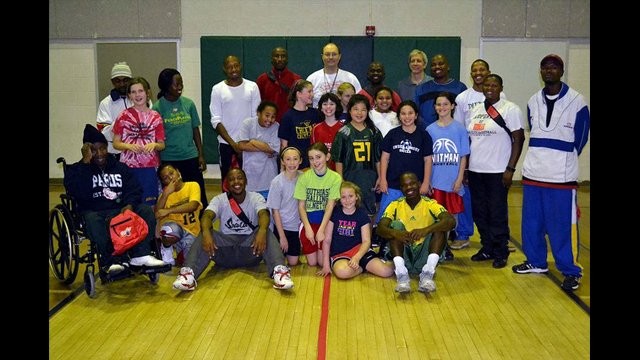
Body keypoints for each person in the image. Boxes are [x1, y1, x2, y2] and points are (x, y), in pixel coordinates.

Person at [512, 54, 590, 291]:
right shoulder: (533, 100)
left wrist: (562, 160)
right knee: (532, 223)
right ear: (541, 71)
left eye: (554, 67)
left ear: (561, 71)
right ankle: (536, 261)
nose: (549, 71)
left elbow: (582, 136)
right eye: (545, 67)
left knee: (562, 226)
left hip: (561, 177)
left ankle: (571, 269)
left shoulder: (578, 100)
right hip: (534, 173)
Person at [64, 124, 166, 275]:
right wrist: (85, 164)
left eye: (102, 148)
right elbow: (76, 192)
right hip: (96, 211)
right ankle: (111, 259)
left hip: (121, 209)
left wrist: (130, 205)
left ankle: (141, 254)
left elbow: (134, 189)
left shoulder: (120, 167)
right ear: (87, 151)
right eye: (94, 150)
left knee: (145, 210)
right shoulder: (79, 170)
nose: (99, 153)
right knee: (93, 220)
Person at [172, 168, 294, 291]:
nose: (236, 182)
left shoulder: (256, 197)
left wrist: (262, 231)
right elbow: (206, 216)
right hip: (225, 253)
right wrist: (206, 232)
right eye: (232, 179)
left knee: (265, 232)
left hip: (251, 250)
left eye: (240, 178)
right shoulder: (219, 199)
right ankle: (187, 276)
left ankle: (280, 273)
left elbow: (264, 214)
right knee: (206, 232)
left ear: (245, 181)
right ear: (227, 184)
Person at [466, 74, 524, 269]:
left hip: (498, 171)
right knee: (479, 212)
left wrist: (510, 168)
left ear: (501, 87)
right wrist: (466, 168)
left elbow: (519, 139)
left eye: (494, 85)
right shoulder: (474, 110)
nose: (490, 88)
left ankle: (501, 250)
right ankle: (487, 247)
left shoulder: (510, 109)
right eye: (486, 85)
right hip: (475, 170)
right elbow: (470, 140)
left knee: (496, 213)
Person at [376, 172, 455, 293]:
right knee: (395, 227)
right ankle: (402, 274)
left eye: (412, 183)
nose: (409, 188)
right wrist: (397, 233)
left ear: (419, 184)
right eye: (404, 185)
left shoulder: (430, 204)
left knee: (439, 227)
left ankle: (428, 273)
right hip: (405, 253)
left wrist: (425, 230)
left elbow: (450, 221)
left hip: (424, 255)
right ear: (401, 188)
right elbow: (380, 228)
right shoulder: (395, 205)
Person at [152, 68, 208, 212]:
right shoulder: (157, 108)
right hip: (169, 160)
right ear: (166, 86)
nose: (180, 87)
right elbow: (156, 137)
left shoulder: (188, 104)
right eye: (176, 84)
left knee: (198, 193)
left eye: (181, 83)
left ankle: (202, 223)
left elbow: (195, 130)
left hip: (190, 156)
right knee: (175, 195)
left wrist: (200, 155)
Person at [317, 181, 394, 279]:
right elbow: (327, 241)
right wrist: (326, 266)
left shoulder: (361, 214)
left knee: (386, 272)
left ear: (356, 196)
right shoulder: (335, 213)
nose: (347, 200)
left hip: (360, 252)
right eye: (343, 197)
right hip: (340, 254)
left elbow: (366, 241)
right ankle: (363, 267)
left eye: (350, 196)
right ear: (339, 199)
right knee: (342, 273)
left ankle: (394, 261)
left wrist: (357, 257)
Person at [112, 77, 165, 206]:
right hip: (128, 167)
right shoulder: (123, 116)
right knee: (130, 202)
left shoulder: (156, 116)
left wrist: (155, 145)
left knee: (150, 203)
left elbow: (162, 144)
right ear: (129, 95)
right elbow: (116, 143)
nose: (137, 95)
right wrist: (128, 146)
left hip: (150, 167)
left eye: (140, 91)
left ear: (147, 93)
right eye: (133, 92)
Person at [426, 92, 469, 246]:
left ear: (452, 106)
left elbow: (463, 156)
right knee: (435, 216)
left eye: (445, 104)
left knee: (451, 217)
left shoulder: (460, 129)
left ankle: (445, 247)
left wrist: (459, 180)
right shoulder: (430, 129)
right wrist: (428, 180)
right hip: (435, 181)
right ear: (434, 107)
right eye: (438, 104)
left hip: (452, 182)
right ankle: (438, 247)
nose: (442, 107)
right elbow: (428, 158)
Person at [210, 55, 261, 183]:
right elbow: (216, 120)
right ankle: (228, 203)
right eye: (230, 67)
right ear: (224, 69)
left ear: (241, 66)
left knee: (248, 180)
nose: (234, 69)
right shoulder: (217, 89)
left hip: (248, 143)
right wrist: (233, 144)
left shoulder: (252, 87)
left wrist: (245, 143)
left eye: (236, 65)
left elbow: (256, 117)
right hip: (226, 144)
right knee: (228, 182)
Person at [331, 94, 382, 221]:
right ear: (349, 111)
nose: (359, 113)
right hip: (350, 178)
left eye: (363, 109)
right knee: (349, 209)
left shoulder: (373, 132)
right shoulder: (343, 132)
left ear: (368, 111)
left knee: (369, 211)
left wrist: (381, 177)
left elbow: (378, 158)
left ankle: (368, 240)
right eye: (356, 109)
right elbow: (339, 160)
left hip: (368, 178)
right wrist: (340, 180)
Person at [294, 142, 342, 267]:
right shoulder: (304, 178)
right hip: (309, 221)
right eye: (311, 158)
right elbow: (301, 206)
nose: (315, 161)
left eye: (318, 157)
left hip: (326, 223)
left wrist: (322, 230)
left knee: (321, 262)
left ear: (327, 157)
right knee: (312, 263)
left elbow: (330, 206)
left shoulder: (335, 178)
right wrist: (308, 228)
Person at [155, 164, 202, 266]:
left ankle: (182, 254)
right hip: (175, 231)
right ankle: (167, 248)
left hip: (192, 232)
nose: (171, 178)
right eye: (166, 178)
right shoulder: (164, 196)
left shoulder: (192, 185)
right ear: (164, 182)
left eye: (171, 173)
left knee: (189, 263)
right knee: (169, 229)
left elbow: (193, 205)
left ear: (178, 172)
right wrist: (166, 194)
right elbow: (157, 214)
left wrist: (169, 211)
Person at [267, 147, 304, 266]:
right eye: (288, 159)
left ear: (300, 161)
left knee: (293, 262)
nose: (292, 163)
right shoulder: (277, 182)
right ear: (282, 161)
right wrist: (282, 237)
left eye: (295, 159)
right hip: (281, 227)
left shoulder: (304, 178)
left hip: (296, 228)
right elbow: (275, 211)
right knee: (279, 262)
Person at [238, 100, 280, 200]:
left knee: (267, 211)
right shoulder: (248, 123)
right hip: (250, 176)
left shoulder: (276, 126)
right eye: (267, 115)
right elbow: (241, 145)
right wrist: (265, 148)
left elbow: (273, 149)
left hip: (269, 177)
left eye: (273, 116)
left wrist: (253, 141)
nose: (270, 119)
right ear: (258, 113)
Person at [414, 54, 467, 128]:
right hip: (425, 132)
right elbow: (415, 113)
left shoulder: (460, 88)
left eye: (441, 64)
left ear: (448, 67)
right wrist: (431, 128)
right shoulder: (421, 89)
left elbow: (464, 114)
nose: (437, 67)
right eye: (433, 65)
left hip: (451, 132)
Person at [278, 79, 320, 170]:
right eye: (309, 91)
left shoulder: (315, 114)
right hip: (296, 164)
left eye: (312, 91)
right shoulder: (288, 116)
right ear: (299, 94)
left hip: (314, 163)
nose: (312, 94)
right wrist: (283, 168)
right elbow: (284, 145)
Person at [306, 43, 362, 108]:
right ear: (322, 56)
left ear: (339, 56)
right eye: (327, 54)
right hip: (318, 117)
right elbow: (306, 104)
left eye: (334, 54)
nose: (331, 57)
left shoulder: (351, 78)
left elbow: (360, 102)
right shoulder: (312, 79)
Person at [96, 61, 133, 158]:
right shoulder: (105, 103)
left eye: (125, 80)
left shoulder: (140, 100)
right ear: (112, 82)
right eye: (117, 81)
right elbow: (103, 132)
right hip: (115, 154)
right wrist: (121, 122)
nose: (122, 84)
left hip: (137, 153)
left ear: (131, 80)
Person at [256, 47, 302, 124]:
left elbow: (300, 104)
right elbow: (258, 104)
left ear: (287, 59)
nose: (280, 59)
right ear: (271, 59)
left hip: (290, 124)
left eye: (283, 56)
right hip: (268, 124)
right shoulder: (262, 79)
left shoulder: (296, 79)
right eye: (276, 56)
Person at [311, 92, 344, 171]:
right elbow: (313, 153)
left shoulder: (344, 128)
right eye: (325, 104)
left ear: (337, 107)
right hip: (321, 172)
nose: (328, 107)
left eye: (332, 104)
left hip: (341, 172)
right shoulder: (316, 128)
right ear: (321, 107)